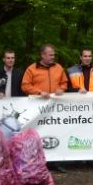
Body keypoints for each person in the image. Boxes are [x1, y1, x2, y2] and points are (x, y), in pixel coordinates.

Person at [21, 44, 68, 173]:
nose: (53, 57)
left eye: (53, 54)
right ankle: (35, 162)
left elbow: (64, 83)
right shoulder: (32, 69)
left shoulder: (59, 68)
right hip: (36, 110)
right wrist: (39, 92)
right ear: (42, 55)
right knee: (37, 135)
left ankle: (55, 162)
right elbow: (25, 86)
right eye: (50, 54)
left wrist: (61, 89)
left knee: (55, 133)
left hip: (54, 109)